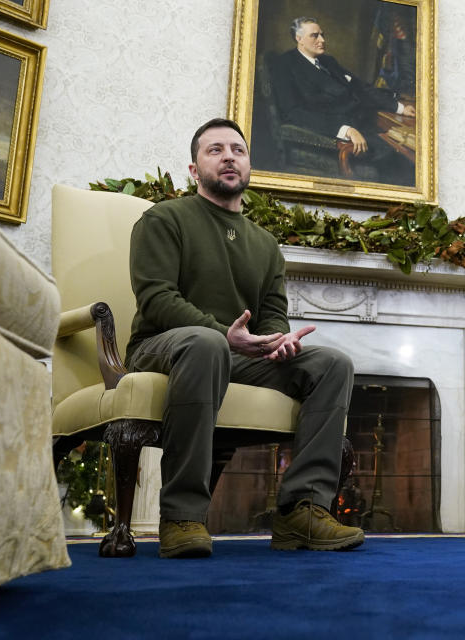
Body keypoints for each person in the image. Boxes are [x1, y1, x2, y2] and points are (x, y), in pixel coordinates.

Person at [125, 117, 364, 557]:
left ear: (249, 165)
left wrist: (277, 341)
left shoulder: (266, 243)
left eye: (237, 149)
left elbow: (272, 313)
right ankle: (182, 516)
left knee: (332, 364)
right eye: (214, 150)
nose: (228, 156)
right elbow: (157, 298)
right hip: (163, 348)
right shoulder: (164, 219)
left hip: (232, 354)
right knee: (206, 343)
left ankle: (301, 512)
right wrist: (223, 335)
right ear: (194, 169)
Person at [272, 16, 415, 185]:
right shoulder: (285, 65)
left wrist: (399, 107)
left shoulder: (327, 61)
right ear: (299, 38)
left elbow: (360, 88)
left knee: (406, 150)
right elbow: (294, 113)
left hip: (364, 123)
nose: (322, 40)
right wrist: (345, 130)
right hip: (334, 134)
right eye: (315, 36)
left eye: (322, 35)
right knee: (402, 159)